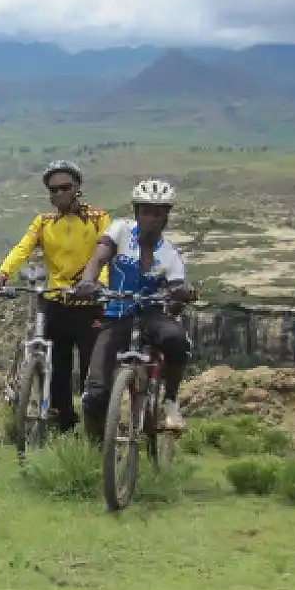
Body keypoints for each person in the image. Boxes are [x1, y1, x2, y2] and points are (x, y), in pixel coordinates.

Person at [0, 160, 109, 433]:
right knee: (58, 368)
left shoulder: (99, 219)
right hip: (56, 302)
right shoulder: (44, 222)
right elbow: (21, 250)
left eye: (65, 187)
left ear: (77, 188)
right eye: (53, 189)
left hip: (90, 303)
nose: (58, 194)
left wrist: (99, 284)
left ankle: (95, 430)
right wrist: (1, 276)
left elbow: (107, 254)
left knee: (91, 370)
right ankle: (63, 423)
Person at [73, 179, 196, 442]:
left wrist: (182, 294)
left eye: (158, 212)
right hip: (117, 314)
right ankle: (95, 453)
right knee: (94, 395)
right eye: (146, 211)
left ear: (166, 217)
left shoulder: (170, 255)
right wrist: (87, 282)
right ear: (136, 212)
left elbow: (176, 288)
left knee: (176, 339)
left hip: (152, 315)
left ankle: (170, 403)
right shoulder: (120, 231)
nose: (151, 218)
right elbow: (98, 258)